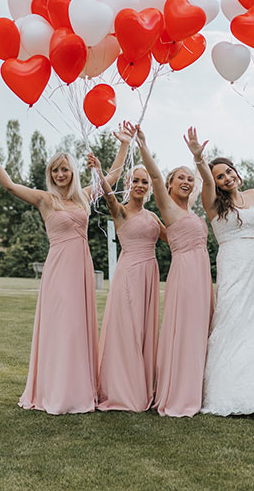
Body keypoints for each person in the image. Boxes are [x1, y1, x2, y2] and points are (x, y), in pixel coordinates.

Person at [0, 123, 132, 414]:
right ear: (50, 175)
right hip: (59, 270)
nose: (60, 175)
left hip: (82, 269)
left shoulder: (85, 196)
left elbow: (111, 176)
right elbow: (9, 185)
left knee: (79, 327)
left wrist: (123, 144)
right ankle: (57, 391)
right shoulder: (45, 199)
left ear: (73, 171)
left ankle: (78, 390)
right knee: (63, 327)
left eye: (64, 169)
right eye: (55, 171)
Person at [185, 127, 254, 416]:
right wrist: (199, 159)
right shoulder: (212, 203)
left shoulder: (252, 196)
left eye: (228, 172)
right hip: (232, 261)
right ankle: (231, 388)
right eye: (220, 175)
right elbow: (207, 184)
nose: (226, 178)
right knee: (233, 317)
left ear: (236, 171)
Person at [135, 126, 212, 417]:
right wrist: (143, 144)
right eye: (181, 177)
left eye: (189, 179)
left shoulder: (191, 208)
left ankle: (196, 387)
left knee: (201, 328)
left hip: (203, 274)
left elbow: (206, 181)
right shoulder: (167, 206)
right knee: (186, 329)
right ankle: (178, 392)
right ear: (169, 184)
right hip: (185, 274)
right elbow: (154, 176)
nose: (187, 182)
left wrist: (197, 158)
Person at [90, 153, 165, 412]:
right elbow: (108, 194)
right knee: (128, 329)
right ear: (129, 184)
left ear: (150, 187)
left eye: (145, 182)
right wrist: (100, 171)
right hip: (129, 275)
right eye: (136, 181)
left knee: (144, 330)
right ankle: (124, 389)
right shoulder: (120, 212)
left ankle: (142, 385)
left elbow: (175, 238)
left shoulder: (154, 217)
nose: (140, 185)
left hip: (149, 275)